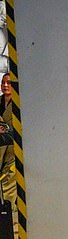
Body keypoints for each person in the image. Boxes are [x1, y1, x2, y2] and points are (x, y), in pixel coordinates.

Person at [0, 72, 15, 208]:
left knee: (9, 179)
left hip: (12, 149)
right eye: (3, 83)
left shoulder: (18, 105)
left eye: (9, 83)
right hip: (0, 148)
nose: (5, 86)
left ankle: (8, 212)